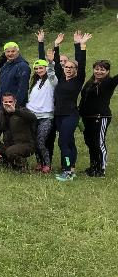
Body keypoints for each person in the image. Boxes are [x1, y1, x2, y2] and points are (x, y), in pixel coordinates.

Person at [54, 32, 90, 181]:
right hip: (59, 115)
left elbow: (81, 63)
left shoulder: (78, 80)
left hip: (70, 115)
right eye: (66, 67)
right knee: (69, 142)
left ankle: (67, 170)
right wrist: (56, 45)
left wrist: (81, 46)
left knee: (62, 142)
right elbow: (56, 62)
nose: (68, 69)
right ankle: (72, 167)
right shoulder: (61, 78)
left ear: (75, 70)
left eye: (71, 67)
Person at [79, 59, 117, 177]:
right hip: (87, 118)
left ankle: (101, 169)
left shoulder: (109, 83)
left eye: (102, 70)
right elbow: (83, 99)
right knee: (90, 143)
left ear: (107, 71)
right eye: (97, 69)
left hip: (100, 117)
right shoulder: (89, 83)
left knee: (99, 143)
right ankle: (93, 167)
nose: (99, 72)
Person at [26, 49, 57, 173]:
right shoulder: (35, 82)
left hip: (46, 117)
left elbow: (52, 73)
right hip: (32, 116)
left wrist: (50, 63)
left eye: (41, 68)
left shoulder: (51, 81)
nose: (39, 70)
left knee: (41, 141)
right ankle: (39, 162)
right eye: (36, 68)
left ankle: (47, 164)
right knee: (34, 142)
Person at [0, 93, 37, 170]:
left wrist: (15, 111)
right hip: (8, 145)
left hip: (26, 145)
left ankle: (22, 165)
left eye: (10, 101)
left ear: (15, 101)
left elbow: (33, 118)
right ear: (2, 102)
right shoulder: (0, 115)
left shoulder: (22, 111)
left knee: (10, 151)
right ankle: (8, 162)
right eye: (6, 102)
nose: (8, 104)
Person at [0, 41, 31, 110]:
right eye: (8, 52)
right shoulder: (4, 67)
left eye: (13, 51)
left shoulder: (22, 66)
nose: (10, 54)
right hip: (3, 106)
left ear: (18, 52)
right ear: (4, 53)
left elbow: (23, 88)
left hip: (15, 108)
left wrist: (16, 106)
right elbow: (0, 88)